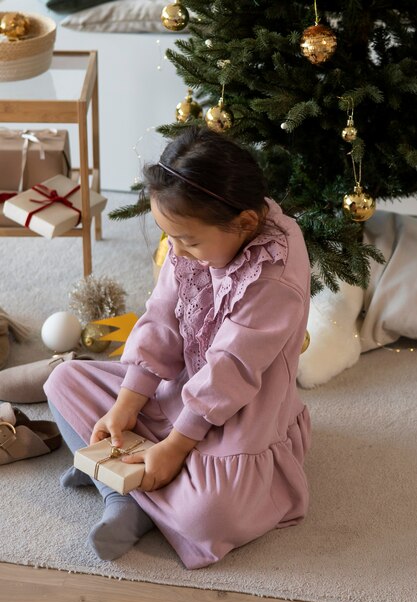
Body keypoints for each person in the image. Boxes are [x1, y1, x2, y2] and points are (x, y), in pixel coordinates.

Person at [44, 126, 312, 570]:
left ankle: (123, 489)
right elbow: (162, 316)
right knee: (62, 380)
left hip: (239, 410)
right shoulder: (189, 248)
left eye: (187, 241)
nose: (178, 254)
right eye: (171, 239)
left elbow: (231, 370)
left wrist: (175, 447)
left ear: (245, 223)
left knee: (209, 515)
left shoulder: (275, 274)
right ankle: (122, 493)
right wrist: (128, 403)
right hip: (180, 385)